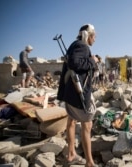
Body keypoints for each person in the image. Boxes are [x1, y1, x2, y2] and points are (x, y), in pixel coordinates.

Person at [57, 24, 98, 167]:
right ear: (89, 35)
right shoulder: (82, 45)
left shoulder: (74, 45)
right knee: (87, 125)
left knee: (72, 121)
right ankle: (89, 162)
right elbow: (75, 63)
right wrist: (93, 61)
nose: (95, 39)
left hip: (70, 93)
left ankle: (71, 154)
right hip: (78, 94)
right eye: (94, 36)